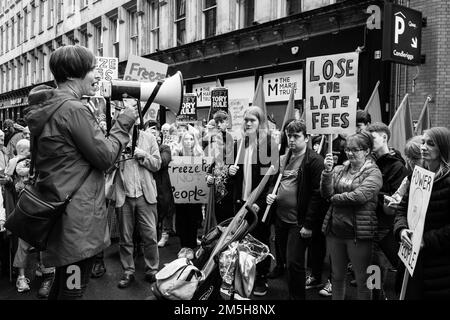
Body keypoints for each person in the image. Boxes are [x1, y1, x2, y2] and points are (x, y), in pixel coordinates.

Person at [24, 45, 138, 299]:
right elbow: (106, 156)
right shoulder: (74, 109)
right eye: (93, 70)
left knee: (63, 285)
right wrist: (124, 123)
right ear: (76, 73)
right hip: (78, 222)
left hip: (61, 211)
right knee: (73, 290)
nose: (97, 76)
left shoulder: (52, 106)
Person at [265, 120, 326, 299]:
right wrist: (271, 195)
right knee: (286, 260)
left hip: (298, 223)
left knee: (294, 263)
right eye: (289, 136)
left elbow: (318, 195)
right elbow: (273, 183)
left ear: (306, 138)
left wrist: (308, 224)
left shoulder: (314, 160)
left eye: (296, 136)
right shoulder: (283, 158)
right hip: (281, 219)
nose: (292, 140)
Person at [320, 131, 382, 300]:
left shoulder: (374, 173)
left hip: (360, 235)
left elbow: (359, 197)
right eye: (347, 149)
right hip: (335, 231)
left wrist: (334, 198)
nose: (350, 153)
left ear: (367, 151)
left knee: (364, 281)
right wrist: (326, 172)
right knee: (337, 277)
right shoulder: (340, 169)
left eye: (355, 149)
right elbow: (325, 192)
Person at [394, 127, 450, 299]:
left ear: (443, 148)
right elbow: (402, 209)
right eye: (423, 142)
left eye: (430, 144)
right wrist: (402, 230)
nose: (423, 147)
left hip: (439, 266)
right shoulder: (416, 176)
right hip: (411, 259)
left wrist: (425, 240)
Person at [228, 106, 279, 297]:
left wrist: (261, 203)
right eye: (246, 120)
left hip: (258, 204)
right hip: (241, 202)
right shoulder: (239, 144)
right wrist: (231, 173)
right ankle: (244, 275)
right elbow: (235, 176)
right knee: (242, 240)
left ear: (261, 123)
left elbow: (272, 178)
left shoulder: (269, 146)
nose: (248, 123)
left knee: (260, 240)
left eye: (253, 120)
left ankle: (261, 278)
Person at [113, 119, 161, 288]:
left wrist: (144, 156)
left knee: (150, 235)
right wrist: (117, 156)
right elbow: (106, 165)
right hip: (123, 195)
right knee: (125, 238)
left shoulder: (149, 138)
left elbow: (157, 164)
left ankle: (152, 270)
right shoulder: (114, 139)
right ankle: (128, 271)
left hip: (144, 194)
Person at [366, 122, 409, 299]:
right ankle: (376, 295)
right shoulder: (369, 161)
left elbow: (396, 198)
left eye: (372, 138)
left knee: (384, 264)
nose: (368, 142)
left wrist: (369, 191)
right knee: (372, 265)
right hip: (367, 222)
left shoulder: (397, 167)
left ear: (384, 137)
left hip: (383, 225)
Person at [173, 131, 204, 249]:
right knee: (182, 219)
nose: (188, 141)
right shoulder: (177, 153)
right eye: (186, 139)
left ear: (194, 140)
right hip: (181, 192)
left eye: (191, 139)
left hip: (195, 192)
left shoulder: (199, 153)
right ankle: (183, 246)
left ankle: (191, 246)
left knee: (193, 220)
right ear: (182, 140)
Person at [147, 123, 175, 248]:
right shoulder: (144, 147)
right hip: (148, 185)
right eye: (150, 134)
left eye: (155, 134)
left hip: (162, 186)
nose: (154, 136)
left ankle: (165, 234)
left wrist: (147, 154)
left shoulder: (165, 148)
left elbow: (162, 162)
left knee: (165, 209)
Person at [206, 111, 235, 223]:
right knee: (218, 217)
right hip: (217, 185)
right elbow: (211, 164)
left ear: (226, 122)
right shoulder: (214, 138)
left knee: (228, 217)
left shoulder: (232, 139)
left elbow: (235, 162)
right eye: (217, 122)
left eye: (221, 122)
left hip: (229, 185)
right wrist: (208, 176)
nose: (218, 124)